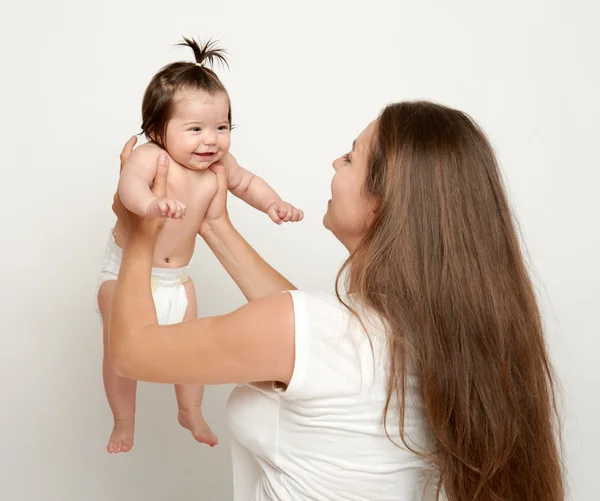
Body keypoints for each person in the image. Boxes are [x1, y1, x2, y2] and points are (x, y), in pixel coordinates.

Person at [108, 101, 564, 500]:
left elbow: (130, 352)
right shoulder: (421, 331)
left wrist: (140, 233)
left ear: (382, 203)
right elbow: (307, 330)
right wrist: (214, 223)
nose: (334, 162)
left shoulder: (316, 332)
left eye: (350, 158)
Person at [97, 37, 302, 454]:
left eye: (222, 128)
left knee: (188, 344)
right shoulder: (153, 157)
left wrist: (273, 204)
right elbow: (127, 187)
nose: (211, 141)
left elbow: (246, 183)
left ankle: (189, 408)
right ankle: (123, 420)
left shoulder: (219, 165)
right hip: (126, 274)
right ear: (157, 130)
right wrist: (151, 204)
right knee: (120, 355)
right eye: (195, 129)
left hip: (176, 277)